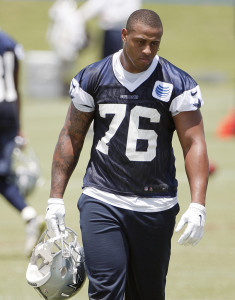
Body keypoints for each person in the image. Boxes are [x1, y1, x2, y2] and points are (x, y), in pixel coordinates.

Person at [45, 9, 209, 300]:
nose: (147, 50)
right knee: (105, 290)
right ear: (124, 36)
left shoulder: (176, 83)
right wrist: (55, 198)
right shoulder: (94, 77)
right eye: (140, 42)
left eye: (155, 43)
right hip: (102, 197)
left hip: (155, 204)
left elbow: (193, 143)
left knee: (147, 294)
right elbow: (72, 135)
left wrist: (198, 205)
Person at [0, 29, 45, 257]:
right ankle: (29, 215)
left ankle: (29, 216)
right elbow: (15, 86)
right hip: (8, 109)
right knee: (2, 173)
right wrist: (18, 124)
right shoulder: (10, 42)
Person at [77, 0, 142, 58]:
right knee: (104, 61)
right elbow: (96, 4)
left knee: (116, 60)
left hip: (118, 31)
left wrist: (110, 16)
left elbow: (132, 10)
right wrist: (79, 17)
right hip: (106, 30)